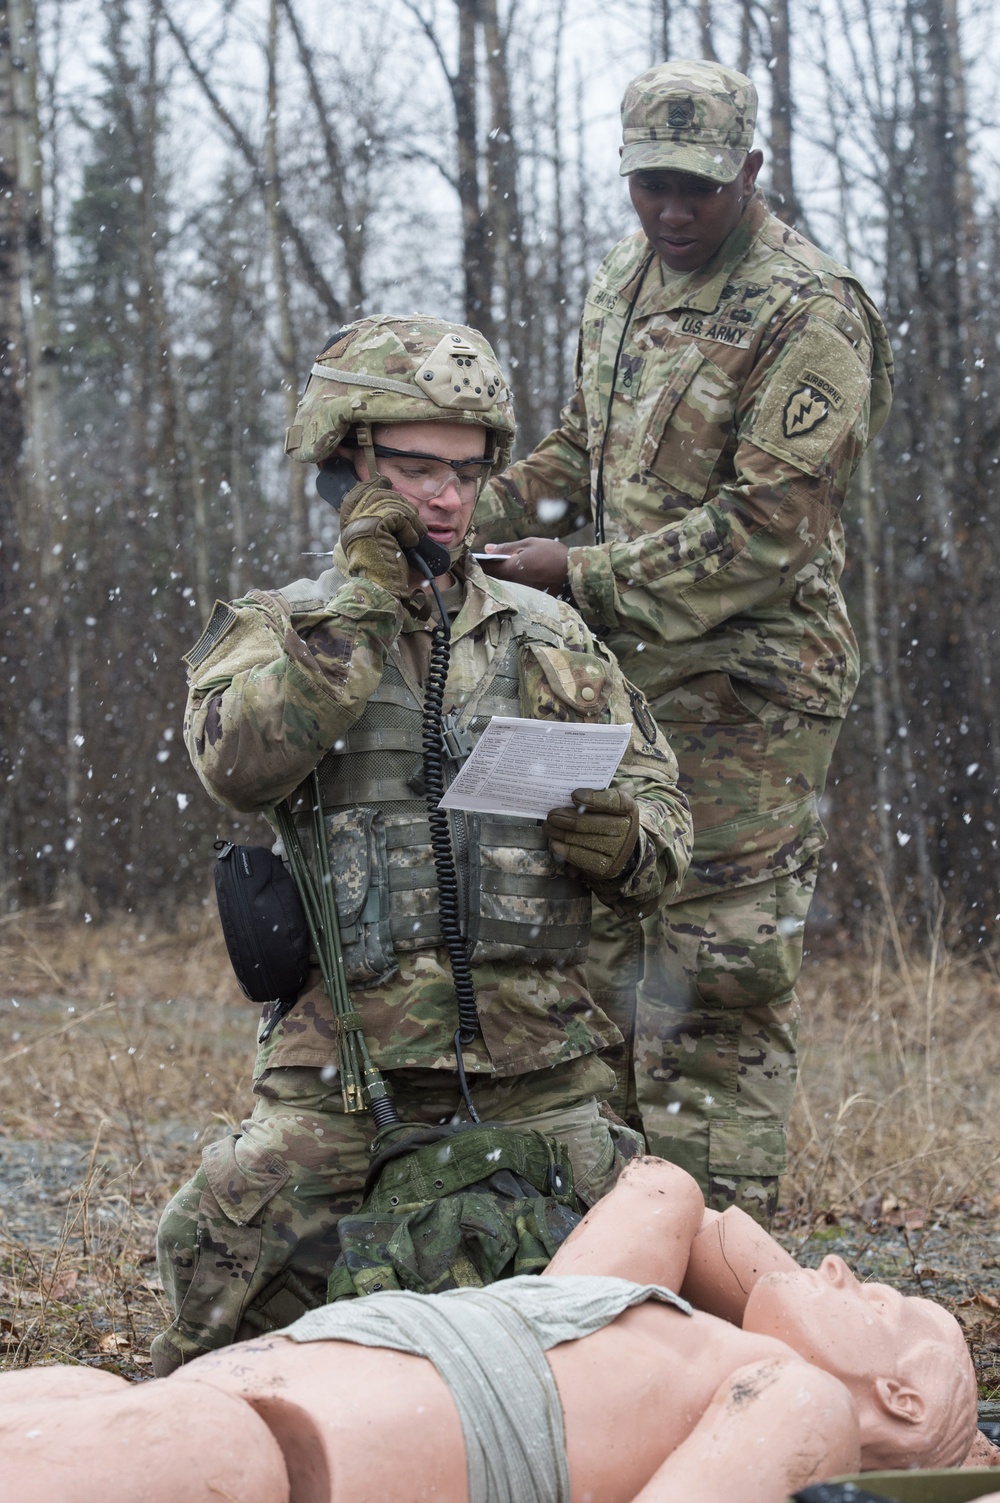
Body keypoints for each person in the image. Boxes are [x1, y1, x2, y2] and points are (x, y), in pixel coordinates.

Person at [152, 315, 693, 1376]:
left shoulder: (549, 637)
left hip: (541, 1071)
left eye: (465, 470)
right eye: (412, 469)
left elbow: (668, 829)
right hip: (345, 1078)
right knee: (220, 1275)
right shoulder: (283, 626)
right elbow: (239, 765)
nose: (446, 498)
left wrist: (625, 843)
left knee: (634, 1333)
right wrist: (361, 607)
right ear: (347, 463)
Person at [473, 59, 894, 1225]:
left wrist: (584, 573)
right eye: (649, 183)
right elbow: (583, 451)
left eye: (695, 188)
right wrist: (473, 506)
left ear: (748, 171)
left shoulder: (808, 312)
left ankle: (723, 1266)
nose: (669, 209)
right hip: (627, 678)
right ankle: (616, 1249)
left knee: (712, 977)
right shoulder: (625, 278)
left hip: (752, 691)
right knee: (598, 949)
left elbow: (769, 530)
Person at [4, 1160, 992, 1503]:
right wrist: (803, 1307)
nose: (829, 1264)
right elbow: (671, 1196)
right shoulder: (643, 1327)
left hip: (277, 1457)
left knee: (180, 1449)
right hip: (215, 1408)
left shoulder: (798, 1402)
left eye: (870, 1296)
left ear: (899, 1397)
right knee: (90, 1404)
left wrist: (934, 1449)